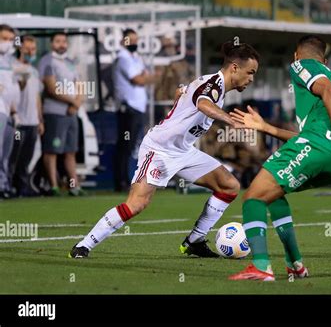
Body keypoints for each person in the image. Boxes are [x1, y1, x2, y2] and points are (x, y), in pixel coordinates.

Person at [69, 41, 259, 259]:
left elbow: (190, 95)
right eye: (250, 72)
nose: (252, 78)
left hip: (183, 151)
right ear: (234, 67)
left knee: (229, 185)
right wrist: (230, 121)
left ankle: (194, 241)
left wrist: (183, 93)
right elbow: (203, 104)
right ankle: (84, 245)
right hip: (159, 150)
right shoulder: (213, 85)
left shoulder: (215, 86)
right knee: (137, 204)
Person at [228, 35, 331, 281]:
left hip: (325, 145)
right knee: (273, 194)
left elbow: (326, 94)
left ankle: (261, 267)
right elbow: (312, 134)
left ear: (296, 55)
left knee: (253, 197)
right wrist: (266, 127)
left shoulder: (303, 66)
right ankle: (295, 265)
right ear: (326, 60)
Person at [38, 32, 85, 196]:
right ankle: (53, 186)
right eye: (58, 41)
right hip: (55, 113)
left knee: (70, 151)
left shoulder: (70, 62)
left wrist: (77, 103)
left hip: (72, 113)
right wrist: (73, 102)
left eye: (64, 41)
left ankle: (74, 186)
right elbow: (51, 88)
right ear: (52, 43)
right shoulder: (47, 61)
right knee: (52, 151)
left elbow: (80, 84)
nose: (61, 44)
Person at [113, 28, 159, 192]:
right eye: (130, 40)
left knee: (130, 146)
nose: (133, 43)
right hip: (129, 107)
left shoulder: (135, 58)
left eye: (135, 40)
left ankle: (125, 180)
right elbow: (139, 79)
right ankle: (121, 182)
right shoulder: (123, 58)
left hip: (138, 107)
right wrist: (151, 77)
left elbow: (143, 76)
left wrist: (146, 77)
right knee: (125, 146)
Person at [9, 35, 44, 197]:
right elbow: (16, 92)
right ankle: (8, 186)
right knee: (13, 156)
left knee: (27, 158)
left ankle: (23, 186)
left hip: (32, 121)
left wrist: (40, 120)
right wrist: (22, 80)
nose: (31, 52)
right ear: (20, 49)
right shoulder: (13, 67)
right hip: (18, 121)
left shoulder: (35, 71)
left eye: (33, 49)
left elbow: (36, 97)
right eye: (27, 48)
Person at [0, 24, 20, 199]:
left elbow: (12, 88)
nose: (7, 43)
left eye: (9, 39)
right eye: (3, 39)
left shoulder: (9, 61)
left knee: (6, 152)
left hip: (8, 111)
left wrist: (14, 111)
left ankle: (4, 185)